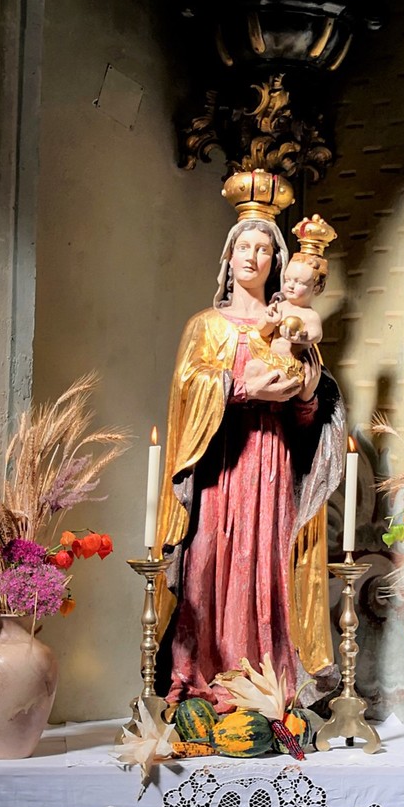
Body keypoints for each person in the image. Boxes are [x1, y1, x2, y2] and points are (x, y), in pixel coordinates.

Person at [154, 183, 346, 711]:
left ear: (276, 262)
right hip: (220, 465)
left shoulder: (290, 327)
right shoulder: (205, 326)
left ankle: (264, 688)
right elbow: (186, 393)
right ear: (229, 255)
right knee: (206, 564)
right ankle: (198, 675)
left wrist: (304, 395)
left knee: (266, 567)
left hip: (272, 464)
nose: (253, 257)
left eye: (264, 249)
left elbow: (309, 421)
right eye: (244, 246)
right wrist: (240, 389)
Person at [243, 251, 326, 389]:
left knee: (277, 381)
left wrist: (301, 337)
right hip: (271, 359)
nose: (291, 286)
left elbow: (316, 335)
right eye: (287, 280)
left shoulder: (309, 315)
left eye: (299, 282)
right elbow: (262, 331)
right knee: (252, 368)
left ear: (316, 288)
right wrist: (270, 322)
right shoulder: (279, 307)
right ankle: (246, 398)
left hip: (293, 364)